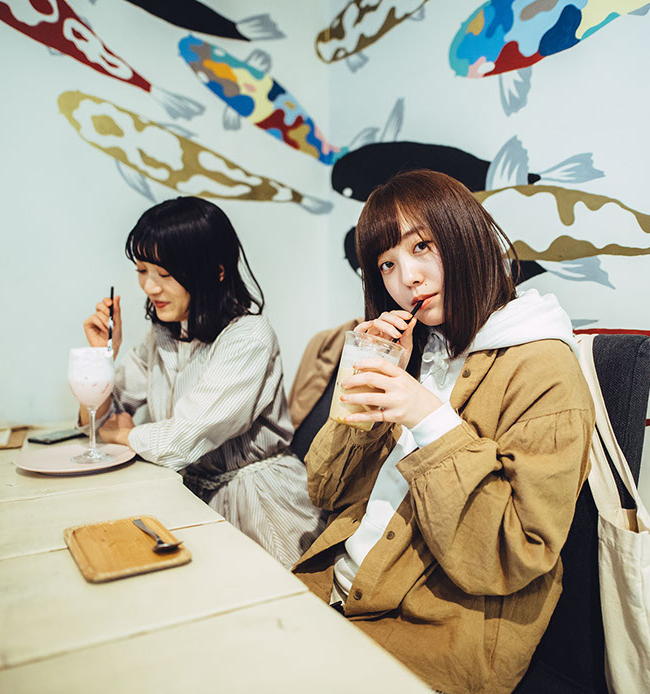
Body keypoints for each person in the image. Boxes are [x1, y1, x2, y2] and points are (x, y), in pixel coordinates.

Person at [292, 170, 595, 694]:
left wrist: (429, 419)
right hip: (331, 591)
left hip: (425, 633)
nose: (406, 278)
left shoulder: (542, 366)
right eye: (387, 264)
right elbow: (322, 489)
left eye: (421, 246)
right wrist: (366, 379)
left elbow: (515, 553)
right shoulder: (422, 351)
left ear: (466, 236)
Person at [81, 196, 324, 569]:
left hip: (259, 504)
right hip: (187, 496)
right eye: (142, 270)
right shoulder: (163, 336)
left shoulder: (248, 337)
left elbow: (181, 439)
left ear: (216, 271)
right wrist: (101, 357)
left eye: (165, 274)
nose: (149, 287)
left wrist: (124, 434)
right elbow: (98, 421)